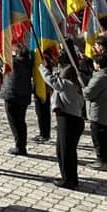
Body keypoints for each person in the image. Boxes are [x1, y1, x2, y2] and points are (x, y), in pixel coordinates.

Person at [40, 55, 85, 189]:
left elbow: (51, 80)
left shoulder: (67, 85)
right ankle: (71, 177)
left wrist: (42, 67)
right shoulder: (75, 85)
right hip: (72, 120)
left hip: (69, 121)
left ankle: (68, 180)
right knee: (65, 151)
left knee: (65, 152)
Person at [83, 52, 107, 170]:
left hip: (98, 111)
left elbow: (88, 94)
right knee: (105, 134)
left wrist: (82, 89)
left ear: (98, 64)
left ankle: (102, 161)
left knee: (98, 137)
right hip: (105, 110)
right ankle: (105, 158)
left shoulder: (100, 78)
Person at [0, 44, 32, 156]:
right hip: (24, 95)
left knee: (15, 123)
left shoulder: (13, 62)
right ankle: (21, 144)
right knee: (21, 122)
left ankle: (20, 147)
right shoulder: (30, 62)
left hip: (12, 96)